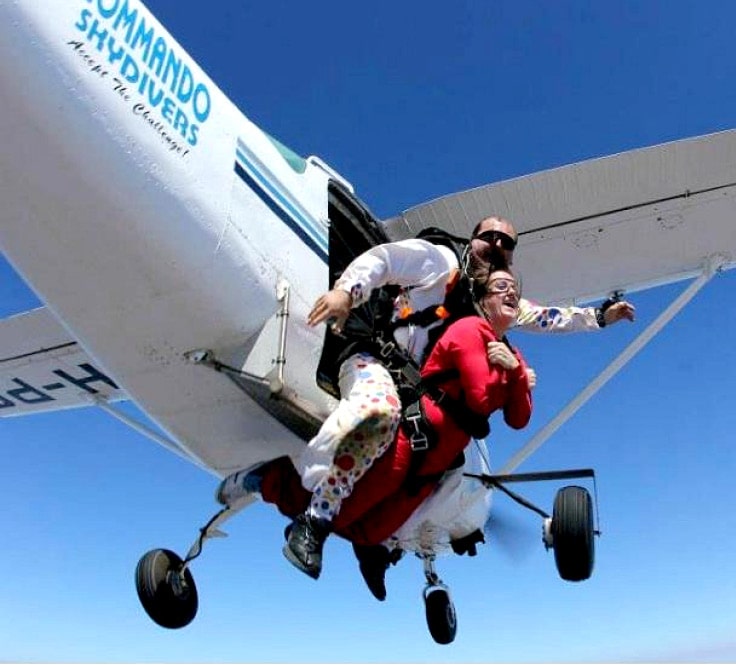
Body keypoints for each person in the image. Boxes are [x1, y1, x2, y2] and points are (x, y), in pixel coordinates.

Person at [217, 216, 635, 580]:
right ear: (472, 241)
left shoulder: (491, 302)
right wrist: (348, 290)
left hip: (418, 398)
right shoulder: (442, 262)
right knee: (378, 412)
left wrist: (597, 316)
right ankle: (312, 520)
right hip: (376, 363)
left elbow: (546, 316)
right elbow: (386, 259)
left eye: (508, 243)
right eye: (490, 237)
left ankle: (374, 542)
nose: (499, 246)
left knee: (412, 484)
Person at [251, 266, 533, 590]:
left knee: (373, 533)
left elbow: (519, 418)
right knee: (342, 512)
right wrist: (515, 376)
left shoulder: (512, 356)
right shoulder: (470, 329)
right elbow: (481, 397)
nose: (511, 292)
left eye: (515, 288)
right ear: (482, 299)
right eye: (501, 286)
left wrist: (517, 373)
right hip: (412, 441)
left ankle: (363, 548)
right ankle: (271, 483)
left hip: (433, 466)